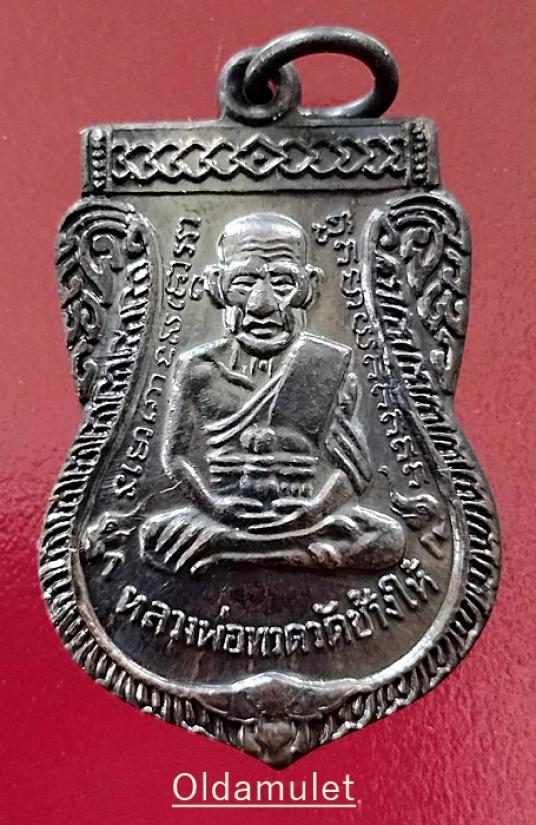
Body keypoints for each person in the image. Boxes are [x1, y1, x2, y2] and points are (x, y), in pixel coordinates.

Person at [140, 212, 405, 575]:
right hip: (224, 510)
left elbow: (355, 471)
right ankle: (281, 553)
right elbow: (175, 457)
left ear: (309, 287)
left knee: (388, 538)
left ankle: (231, 553)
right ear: (217, 285)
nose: (261, 305)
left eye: (282, 282)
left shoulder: (325, 365)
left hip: (304, 516)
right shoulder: (198, 369)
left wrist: (314, 510)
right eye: (244, 282)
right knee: (152, 537)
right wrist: (215, 507)